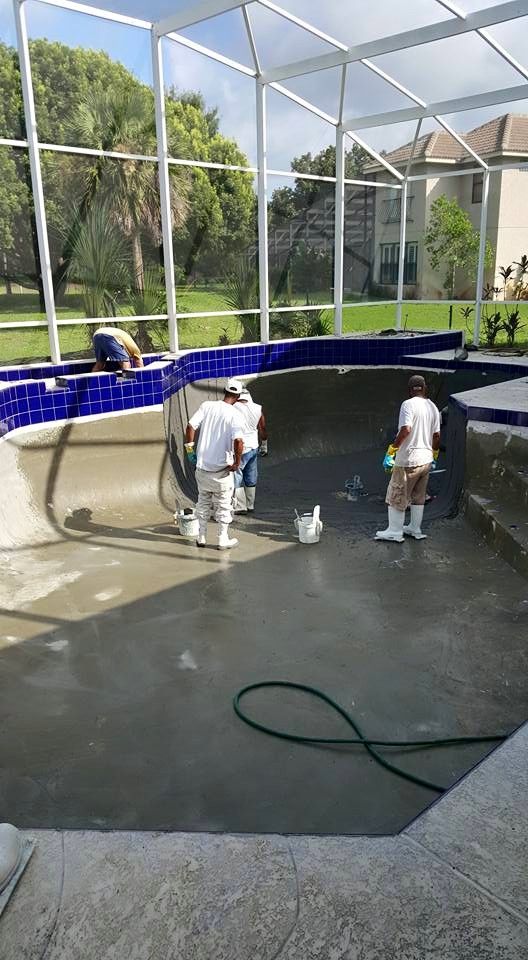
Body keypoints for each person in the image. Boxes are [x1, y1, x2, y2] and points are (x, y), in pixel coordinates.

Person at [375, 374, 441, 543]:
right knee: (419, 495)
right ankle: (414, 528)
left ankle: (395, 531)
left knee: (397, 492)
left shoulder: (408, 405)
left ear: (409, 391)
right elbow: (437, 435)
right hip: (425, 460)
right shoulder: (433, 407)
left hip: (408, 459)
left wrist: (393, 449)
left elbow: (406, 429)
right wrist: (434, 454)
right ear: (425, 388)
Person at [184, 379, 244, 550]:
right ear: (238, 397)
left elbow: (190, 426)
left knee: (202, 502)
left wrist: (190, 451)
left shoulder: (207, 406)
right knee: (224, 505)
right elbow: (239, 441)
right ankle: (222, 539)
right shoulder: (235, 415)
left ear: (224, 391)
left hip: (202, 469)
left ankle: (201, 537)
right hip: (221, 472)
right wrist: (237, 463)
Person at [233, 388, 268, 514]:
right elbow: (263, 428)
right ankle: (250, 505)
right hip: (254, 447)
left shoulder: (233, 407)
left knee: (237, 475)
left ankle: (240, 506)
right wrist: (264, 445)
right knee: (251, 476)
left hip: (240, 448)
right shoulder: (257, 408)